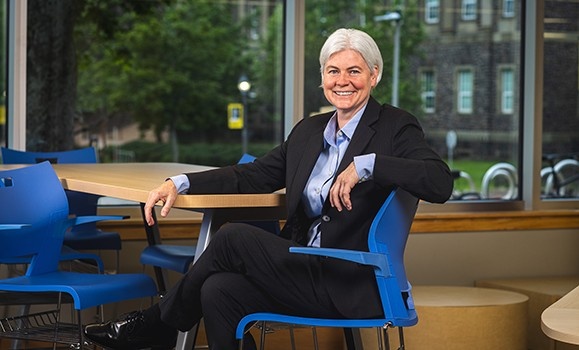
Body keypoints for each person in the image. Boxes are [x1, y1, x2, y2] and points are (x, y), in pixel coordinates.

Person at [84, 27, 453, 350]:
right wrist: (179, 182)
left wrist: (368, 164)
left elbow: (439, 182)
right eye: (333, 71)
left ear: (374, 75)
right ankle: (162, 326)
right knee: (218, 290)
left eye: (354, 71)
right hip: (302, 269)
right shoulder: (309, 132)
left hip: (350, 279)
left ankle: (159, 325)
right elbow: (252, 176)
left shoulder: (395, 127)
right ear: (322, 78)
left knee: (233, 237)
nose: (343, 81)